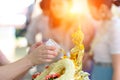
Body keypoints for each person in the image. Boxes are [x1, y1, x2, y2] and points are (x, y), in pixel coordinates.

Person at [87, 0, 120, 80]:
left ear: (102, 8)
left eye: (91, 10)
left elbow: (118, 68)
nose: (90, 14)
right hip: (97, 72)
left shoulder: (115, 28)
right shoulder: (103, 23)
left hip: (107, 74)